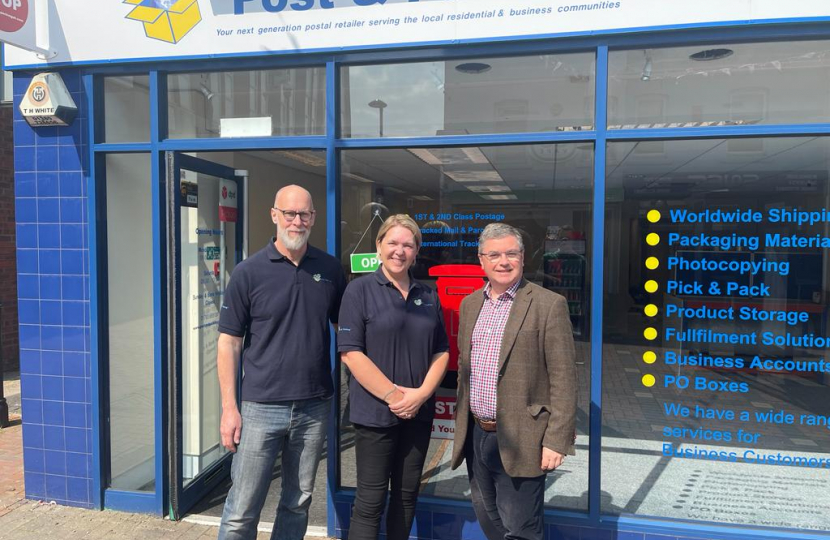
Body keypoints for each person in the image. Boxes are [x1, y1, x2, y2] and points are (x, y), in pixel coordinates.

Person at [216, 185, 346, 540]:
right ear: (274, 215)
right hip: (260, 406)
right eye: (289, 213)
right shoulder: (248, 272)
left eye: (304, 214)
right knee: (242, 508)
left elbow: (345, 330)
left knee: (297, 502)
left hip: (314, 405)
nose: (296, 221)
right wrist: (229, 408)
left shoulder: (330, 269)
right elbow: (229, 343)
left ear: (313, 218)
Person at [451, 223, 577, 540]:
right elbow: (465, 368)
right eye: (494, 255)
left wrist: (556, 440)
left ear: (522, 257)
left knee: (521, 530)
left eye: (511, 253)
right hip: (477, 434)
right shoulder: (470, 305)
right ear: (481, 260)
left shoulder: (548, 304)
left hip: (524, 436)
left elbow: (564, 378)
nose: (503, 262)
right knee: (488, 518)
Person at [337, 214, 450, 540]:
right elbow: (351, 353)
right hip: (375, 414)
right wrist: (395, 397)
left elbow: (441, 351)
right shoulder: (359, 290)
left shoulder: (428, 294)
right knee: (370, 501)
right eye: (393, 243)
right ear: (379, 246)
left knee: (406, 497)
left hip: (418, 414)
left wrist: (421, 395)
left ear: (416, 252)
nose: (399, 251)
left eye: (408, 245)